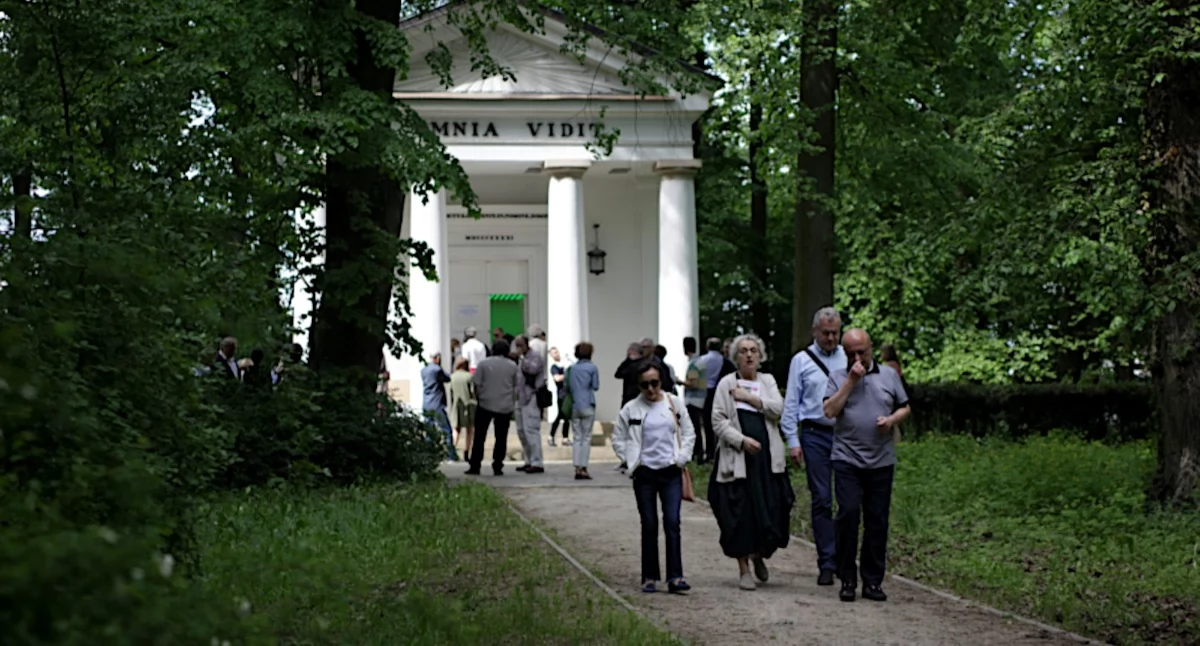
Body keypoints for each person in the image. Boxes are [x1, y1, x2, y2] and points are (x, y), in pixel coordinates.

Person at [823, 328, 910, 602]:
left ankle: (872, 581)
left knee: (877, 522)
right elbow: (829, 412)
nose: (858, 357)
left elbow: (905, 407)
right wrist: (850, 381)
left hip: (881, 460)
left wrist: (892, 421)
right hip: (847, 458)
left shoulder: (888, 376)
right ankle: (847, 578)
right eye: (851, 354)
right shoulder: (837, 377)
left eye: (863, 352)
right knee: (847, 515)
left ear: (871, 349)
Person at [709, 334, 794, 591]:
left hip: (768, 463)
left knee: (776, 509)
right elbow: (718, 421)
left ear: (760, 356)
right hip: (738, 462)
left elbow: (778, 409)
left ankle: (760, 554)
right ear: (736, 357)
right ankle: (744, 568)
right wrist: (741, 440)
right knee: (740, 515)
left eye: (753, 351)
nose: (748, 355)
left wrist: (749, 398)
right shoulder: (726, 384)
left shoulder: (767, 381)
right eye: (743, 351)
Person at [612, 361, 696, 594]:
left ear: (662, 381)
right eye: (644, 385)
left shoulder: (673, 403)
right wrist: (631, 462)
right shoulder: (631, 409)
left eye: (654, 383)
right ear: (638, 385)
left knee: (672, 522)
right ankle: (649, 576)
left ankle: (675, 576)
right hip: (645, 473)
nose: (650, 389)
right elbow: (618, 438)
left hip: (670, 471)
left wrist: (682, 458)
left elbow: (689, 431)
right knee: (649, 524)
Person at [780, 306, 847, 586]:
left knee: (847, 499)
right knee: (821, 498)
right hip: (814, 434)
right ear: (815, 332)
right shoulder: (802, 361)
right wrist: (793, 441)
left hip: (845, 434)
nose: (831, 338)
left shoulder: (848, 356)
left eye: (835, 333)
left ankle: (845, 559)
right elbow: (791, 403)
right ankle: (827, 562)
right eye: (826, 333)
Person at [465, 339, 519, 476]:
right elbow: (516, 386)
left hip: (485, 403)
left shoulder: (483, 364)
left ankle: (475, 465)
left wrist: (479, 397)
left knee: (480, 436)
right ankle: (498, 465)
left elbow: (476, 384)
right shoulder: (512, 366)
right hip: (505, 405)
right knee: (501, 437)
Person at [566, 342, 600, 480]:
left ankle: (577, 467)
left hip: (575, 405)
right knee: (586, 438)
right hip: (588, 403)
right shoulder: (592, 368)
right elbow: (596, 386)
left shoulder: (572, 368)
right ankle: (584, 468)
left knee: (576, 437)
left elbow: (566, 386)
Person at [515, 336, 546, 474]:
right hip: (519, 398)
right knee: (521, 431)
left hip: (532, 396)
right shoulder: (520, 359)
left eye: (520, 345)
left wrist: (522, 359)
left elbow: (532, 370)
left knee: (531, 430)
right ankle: (528, 460)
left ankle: (537, 461)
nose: (518, 348)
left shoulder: (535, 356)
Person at [420, 351, 456, 461]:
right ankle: (451, 455)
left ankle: (428, 454)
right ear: (437, 358)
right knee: (446, 430)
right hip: (437, 404)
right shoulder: (437, 370)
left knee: (429, 430)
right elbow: (447, 378)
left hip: (426, 403)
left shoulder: (423, 370)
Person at [682, 337, 708, 463]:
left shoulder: (693, 364)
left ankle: (697, 454)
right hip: (701, 398)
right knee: (697, 427)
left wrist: (679, 381)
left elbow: (692, 383)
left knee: (693, 428)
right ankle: (699, 453)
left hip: (693, 400)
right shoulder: (701, 361)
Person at [699, 337, 725, 463]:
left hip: (705, 391)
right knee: (719, 419)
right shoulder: (723, 360)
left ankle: (709, 450)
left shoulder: (703, 359)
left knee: (707, 421)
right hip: (718, 390)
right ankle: (717, 449)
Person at [449, 357, 476, 460]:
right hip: (469, 405)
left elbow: (451, 393)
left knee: (456, 429)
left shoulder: (452, 377)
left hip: (457, 405)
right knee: (469, 430)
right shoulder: (469, 376)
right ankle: (466, 451)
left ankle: (452, 450)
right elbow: (473, 391)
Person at [548, 346, 571, 446]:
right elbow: (557, 378)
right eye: (554, 353)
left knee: (566, 417)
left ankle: (565, 438)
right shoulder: (554, 367)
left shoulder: (565, 364)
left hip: (568, 394)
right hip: (561, 395)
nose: (556, 354)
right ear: (551, 356)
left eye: (557, 352)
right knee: (560, 415)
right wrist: (567, 374)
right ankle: (551, 436)